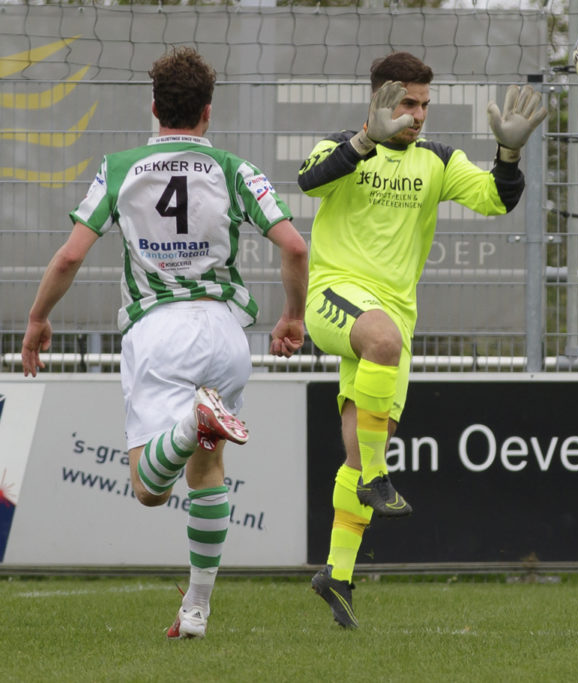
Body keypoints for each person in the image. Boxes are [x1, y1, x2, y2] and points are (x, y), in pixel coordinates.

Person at [20, 47, 309, 640]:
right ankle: (197, 610)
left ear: (154, 109)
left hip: (160, 332)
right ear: (208, 112)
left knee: (150, 490)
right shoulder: (234, 168)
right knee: (209, 469)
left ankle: (186, 426)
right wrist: (292, 317)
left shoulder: (121, 166)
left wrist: (37, 318)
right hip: (226, 335)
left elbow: (73, 253)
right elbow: (296, 247)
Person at [297, 51, 546, 628]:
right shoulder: (341, 148)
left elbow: (497, 198)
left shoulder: (437, 159)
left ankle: (335, 575)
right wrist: (365, 140)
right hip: (335, 300)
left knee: (358, 448)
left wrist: (508, 152)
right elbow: (309, 181)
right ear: (380, 100)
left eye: (424, 105)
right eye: (407, 103)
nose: (417, 115)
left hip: (393, 322)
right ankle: (382, 479)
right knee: (381, 350)